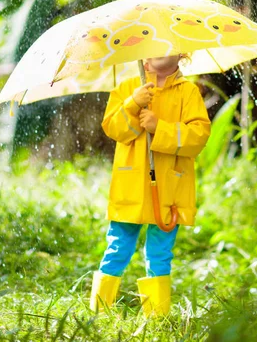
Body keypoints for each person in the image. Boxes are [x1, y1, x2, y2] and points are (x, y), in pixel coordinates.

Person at [90, 53, 211, 317]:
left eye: (167, 46)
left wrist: (160, 127)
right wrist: (133, 103)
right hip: (131, 184)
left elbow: (198, 137)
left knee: (160, 252)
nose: (160, 50)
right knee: (118, 245)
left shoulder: (188, 93)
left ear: (180, 53)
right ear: (143, 52)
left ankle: (157, 316)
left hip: (169, 186)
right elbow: (114, 129)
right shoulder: (126, 87)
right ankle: (99, 311)